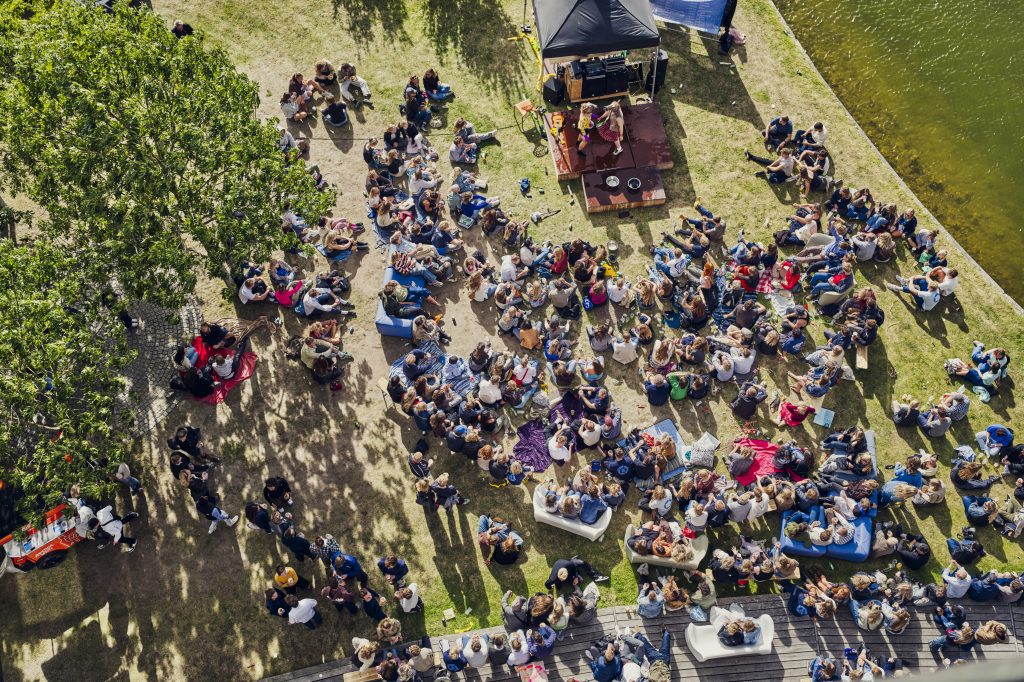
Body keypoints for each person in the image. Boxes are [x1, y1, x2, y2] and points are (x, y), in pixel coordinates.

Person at [544, 557, 609, 592]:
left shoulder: (569, 564)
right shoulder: (552, 578)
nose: (563, 580)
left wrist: (576, 577)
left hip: (568, 563)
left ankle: (596, 577)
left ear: (567, 571)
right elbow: (546, 584)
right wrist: (550, 588)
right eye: (562, 579)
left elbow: (574, 569)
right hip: (559, 575)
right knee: (559, 588)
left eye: (564, 578)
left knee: (582, 563)